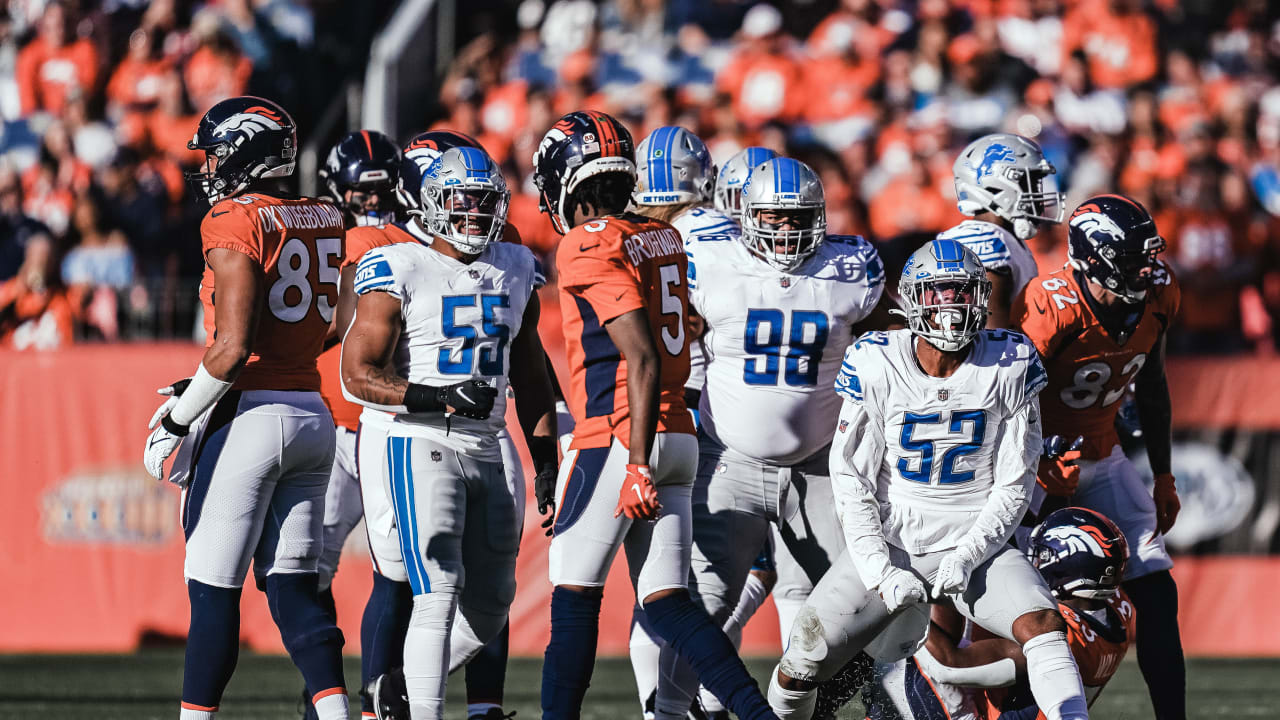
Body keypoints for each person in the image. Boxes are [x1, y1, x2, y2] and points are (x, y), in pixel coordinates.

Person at [767, 239, 1088, 720]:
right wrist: (880, 569)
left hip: (978, 544)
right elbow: (851, 477)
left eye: (962, 292)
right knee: (801, 663)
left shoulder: (1009, 362)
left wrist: (969, 553)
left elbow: (1015, 481)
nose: (952, 306)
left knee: (1043, 626)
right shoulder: (878, 362)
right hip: (894, 543)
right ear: (913, 299)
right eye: (940, 292)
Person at [533, 110, 776, 720]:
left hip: (618, 436)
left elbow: (639, 357)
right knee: (669, 602)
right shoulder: (659, 235)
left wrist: (634, 462)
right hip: (677, 435)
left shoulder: (588, 242)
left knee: (573, 600)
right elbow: (687, 327)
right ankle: (756, 713)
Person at [647, 144, 897, 718]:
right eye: (772, 218)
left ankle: (808, 710)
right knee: (706, 603)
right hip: (728, 459)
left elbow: (891, 344)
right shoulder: (708, 259)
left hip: (822, 466)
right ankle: (665, 713)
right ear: (746, 218)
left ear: (821, 218)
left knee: (856, 603)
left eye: (797, 218)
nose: (785, 231)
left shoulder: (849, 268)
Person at [142, 96, 350, 720]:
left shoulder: (235, 218)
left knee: (212, 592)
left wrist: (179, 419)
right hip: (312, 415)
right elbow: (332, 325)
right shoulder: (324, 214)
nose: (207, 168)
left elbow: (231, 349)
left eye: (214, 154)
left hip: (250, 418)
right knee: (294, 589)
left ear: (242, 151)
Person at [341, 145, 558, 720]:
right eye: (461, 203)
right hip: (419, 437)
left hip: (487, 439)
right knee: (437, 587)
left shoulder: (514, 264)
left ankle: (399, 691)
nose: (473, 216)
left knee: (492, 604)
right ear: (433, 203)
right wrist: (437, 396)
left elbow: (533, 373)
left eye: (484, 204)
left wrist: (547, 460)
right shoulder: (397, 263)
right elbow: (357, 374)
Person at [627, 134, 787, 720]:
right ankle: (699, 703)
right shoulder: (733, 236)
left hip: (661, 411)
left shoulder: (642, 238)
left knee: (672, 588)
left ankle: (684, 705)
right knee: (699, 587)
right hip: (718, 416)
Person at [1013, 194, 1185, 720]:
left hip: (1103, 453)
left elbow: (1152, 387)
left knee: (1156, 590)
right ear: (1096, 257)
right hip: (1028, 464)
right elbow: (1007, 397)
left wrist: (1162, 475)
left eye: (1147, 257)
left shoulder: (1159, 294)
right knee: (1021, 600)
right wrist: (1033, 462)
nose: (1147, 269)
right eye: (1132, 260)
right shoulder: (1050, 304)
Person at [871, 506, 1135, 719]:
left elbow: (948, 665)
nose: (1036, 560)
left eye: (1043, 554)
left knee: (908, 653)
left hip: (981, 704)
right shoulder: (1119, 612)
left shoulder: (1055, 632)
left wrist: (910, 598)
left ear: (1065, 566)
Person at [309, 127, 402, 720]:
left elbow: (329, 323)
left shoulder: (397, 240)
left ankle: (370, 698)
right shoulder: (347, 237)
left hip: (385, 423)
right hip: (340, 425)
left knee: (395, 567)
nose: (369, 205)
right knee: (305, 570)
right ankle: (327, 689)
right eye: (360, 194)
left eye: (378, 193)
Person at [938, 133, 1064, 329]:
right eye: (1030, 182)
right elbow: (994, 340)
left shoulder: (1003, 238)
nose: (1038, 195)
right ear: (999, 186)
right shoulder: (986, 241)